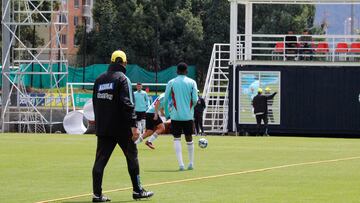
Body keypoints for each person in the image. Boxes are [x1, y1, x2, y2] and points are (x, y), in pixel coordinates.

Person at [91, 50, 153, 202]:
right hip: (122, 129)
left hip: (104, 128)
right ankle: (137, 191)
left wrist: (99, 124)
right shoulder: (123, 79)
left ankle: (97, 195)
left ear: (112, 61)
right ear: (124, 63)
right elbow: (127, 104)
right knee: (132, 157)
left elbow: (95, 103)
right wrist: (134, 127)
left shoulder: (99, 79)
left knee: (100, 161)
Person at [164, 62, 198, 171]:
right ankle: (191, 163)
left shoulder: (171, 82)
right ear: (187, 71)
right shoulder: (192, 82)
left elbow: (166, 99)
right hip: (188, 116)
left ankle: (181, 164)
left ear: (177, 71)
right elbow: (195, 100)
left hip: (175, 116)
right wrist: (190, 109)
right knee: (189, 138)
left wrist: (167, 113)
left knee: (177, 138)